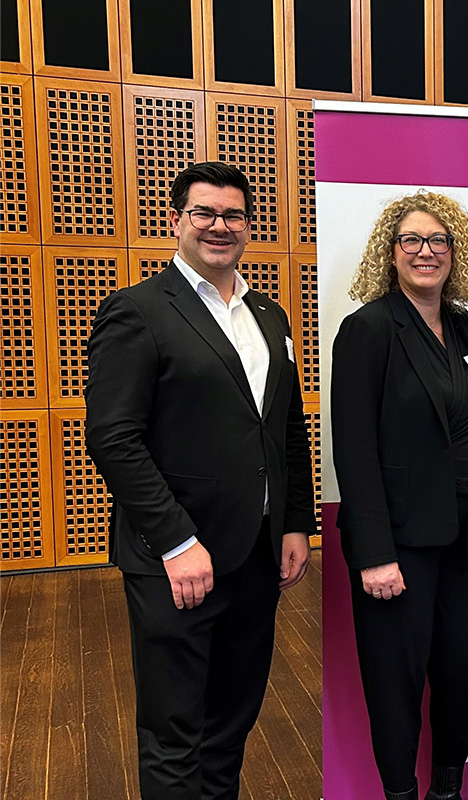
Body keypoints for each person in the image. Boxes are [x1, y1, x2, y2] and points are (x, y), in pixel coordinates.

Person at [85, 162, 316, 800]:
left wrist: (296, 520)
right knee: (174, 733)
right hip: (177, 561)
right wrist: (176, 542)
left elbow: (286, 428)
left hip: (257, 554)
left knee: (229, 727)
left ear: (249, 226)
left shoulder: (268, 315)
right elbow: (112, 436)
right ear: (176, 221)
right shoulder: (136, 311)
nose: (221, 226)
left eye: (234, 216)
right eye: (205, 213)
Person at [330, 191, 468, 800]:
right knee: (395, 681)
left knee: (460, 671)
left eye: (439, 242)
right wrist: (374, 552)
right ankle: (401, 792)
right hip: (399, 542)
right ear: (392, 251)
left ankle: (446, 791)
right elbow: (352, 448)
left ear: (456, 253)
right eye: (412, 241)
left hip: (467, 537)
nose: (426, 252)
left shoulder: (464, 326)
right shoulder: (368, 329)